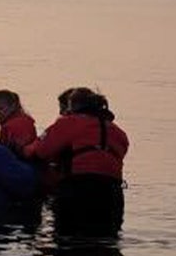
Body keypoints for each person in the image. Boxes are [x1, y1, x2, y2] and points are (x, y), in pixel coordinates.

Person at [25, 88, 128, 236]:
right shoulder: (119, 133)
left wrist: (23, 150)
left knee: (69, 240)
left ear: (72, 106)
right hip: (112, 193)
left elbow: (41, 151)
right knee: (107, 240)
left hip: (77, 189)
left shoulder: (68, 123)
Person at [0, 89, 38, 154]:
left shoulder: (8, 126)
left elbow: (4, 151)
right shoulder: (26, 119)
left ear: (13, 106)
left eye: (1, 108)